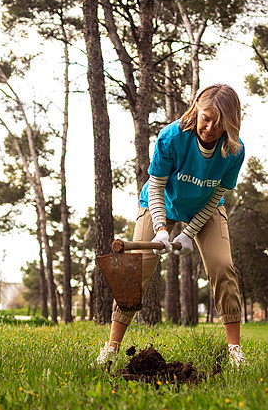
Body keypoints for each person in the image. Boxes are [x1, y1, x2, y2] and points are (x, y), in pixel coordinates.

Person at [95, 84, 248, 367]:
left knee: (222, 267)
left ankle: (235, 353)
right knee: (135, 270)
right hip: (161, 204)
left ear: (231, 121)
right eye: (206, 117)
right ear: (196, 110)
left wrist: (189, 233)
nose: (210, 127)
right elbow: (155, 187)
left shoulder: (233, 151)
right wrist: (162, 228)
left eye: (219, 122)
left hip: (205, 207)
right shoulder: (172, 137)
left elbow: (217, 195)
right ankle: (112, 348)